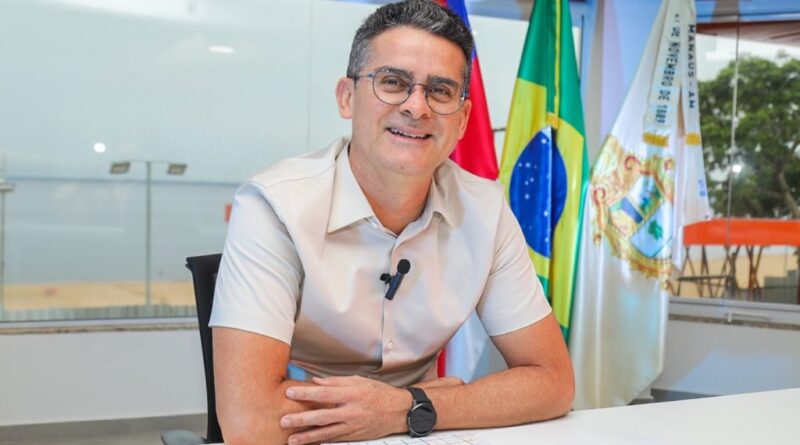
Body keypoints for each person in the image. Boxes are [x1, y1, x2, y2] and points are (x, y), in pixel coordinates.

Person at [209, 1, 574, 444]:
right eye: (393, 82)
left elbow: (553, 382)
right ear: (347, 97)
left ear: (462, 120)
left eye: (440, 91)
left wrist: (406, 408)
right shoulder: (274, 204)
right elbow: (250, 421)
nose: (416, 107)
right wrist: (427, 404)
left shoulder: (485, 209)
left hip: (423, 431)